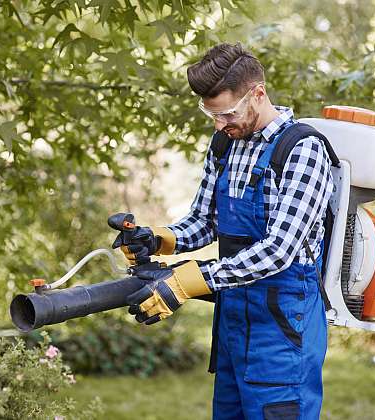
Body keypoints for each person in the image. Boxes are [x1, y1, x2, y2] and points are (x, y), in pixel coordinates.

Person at [113, 42, 335, 420]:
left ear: (258, 94)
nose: (219, 124)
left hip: (283, 331)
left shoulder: (302, 150)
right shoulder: (224, 145)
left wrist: (187, 282)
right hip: (234, 325)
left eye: (227, 113)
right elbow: (204, 222)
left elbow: (278, 250)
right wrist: (159, 239)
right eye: (211, 114)